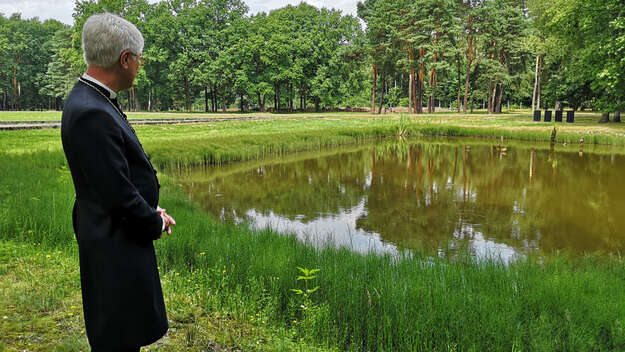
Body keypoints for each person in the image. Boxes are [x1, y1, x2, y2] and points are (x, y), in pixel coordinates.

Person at [61, 13, 175, 351]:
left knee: (124, 334)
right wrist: (152, 219)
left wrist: (148, 205)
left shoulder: (91, 99)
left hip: (114, 235)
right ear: (125, 60)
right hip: (114, 246)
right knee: (119, 337)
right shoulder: (92, 111)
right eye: (139, 59)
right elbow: (118, 196)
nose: (140, 66)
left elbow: (111, 180)